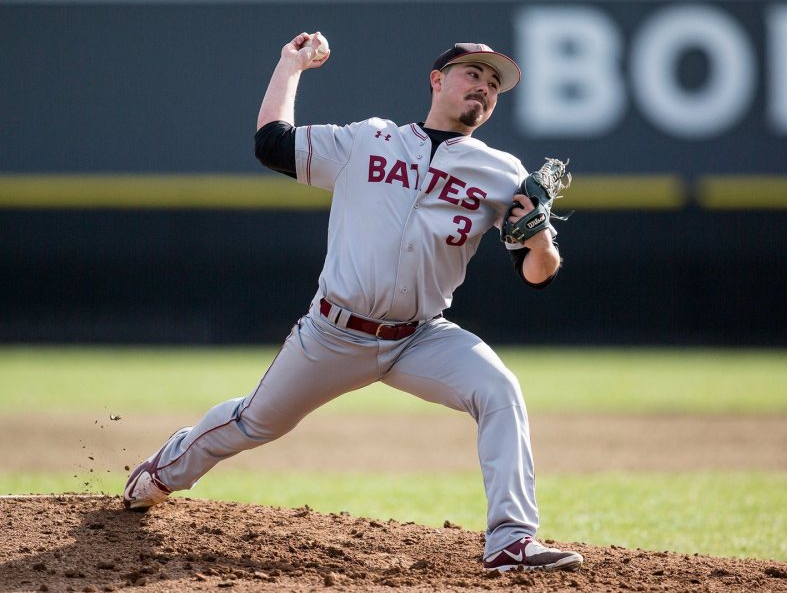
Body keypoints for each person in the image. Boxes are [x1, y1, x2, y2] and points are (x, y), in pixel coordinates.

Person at [123, 32, 583, 573]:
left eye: (493, 83)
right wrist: (289, 66)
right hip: (335, 331)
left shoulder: (502, 173)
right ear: (437, 81)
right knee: (254, 423)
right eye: (471, 74)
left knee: (499, 390)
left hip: (420, 336)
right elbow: (272, 143)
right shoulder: (370, 139)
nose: (483, 87)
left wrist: (541, 239)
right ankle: (161, 473)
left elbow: (537, 277)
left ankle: (511, 539)